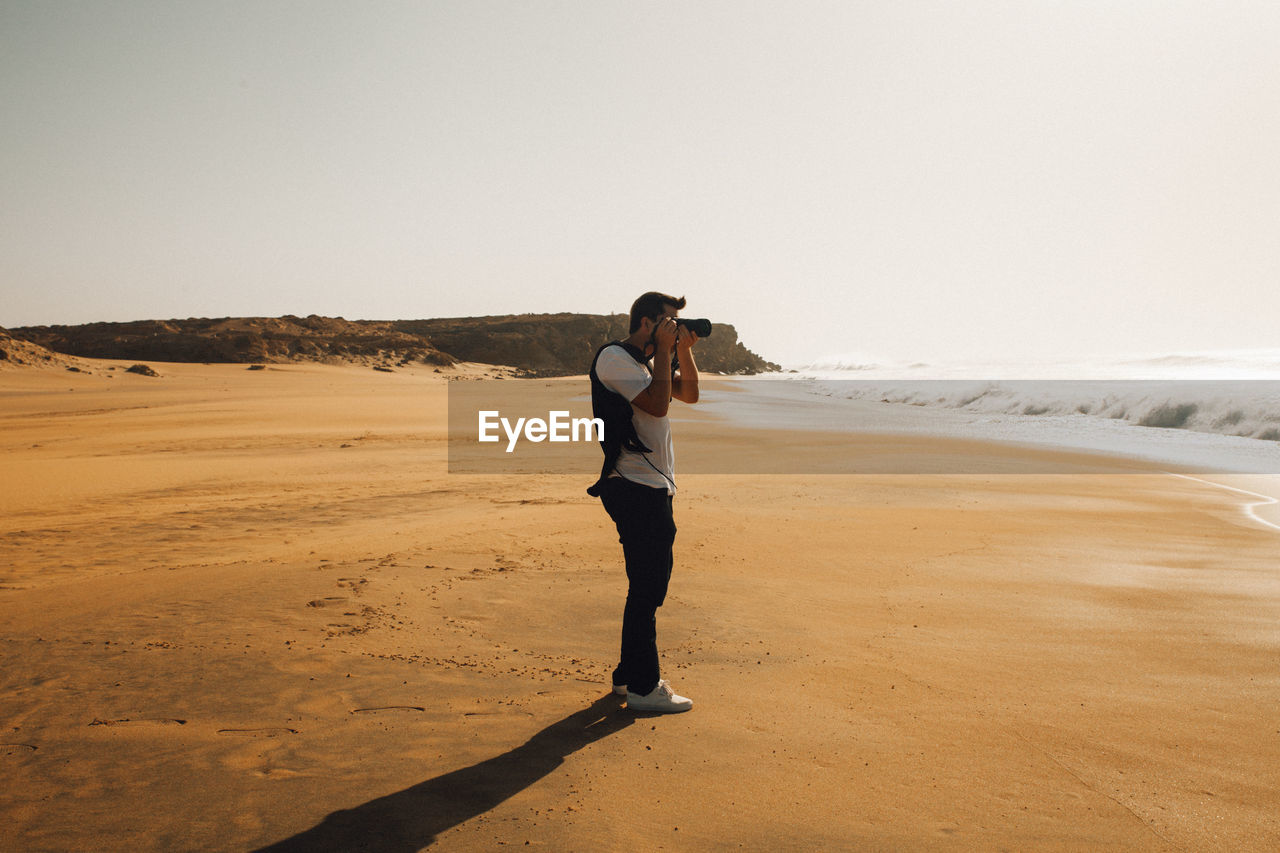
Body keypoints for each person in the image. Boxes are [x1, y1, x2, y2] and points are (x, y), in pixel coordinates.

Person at [587, 292, 699, 713]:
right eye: (670, 322)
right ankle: (644, 687)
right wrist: (667, 350)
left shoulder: (643, 364)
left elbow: (689, 396)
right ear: (648, 322)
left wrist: (681, 353)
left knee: (645, 586)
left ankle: (626, 677)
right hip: (632, 485)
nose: (675, 328)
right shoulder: (614, 359)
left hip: (650, 486)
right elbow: (656, 404)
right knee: (649, 588)